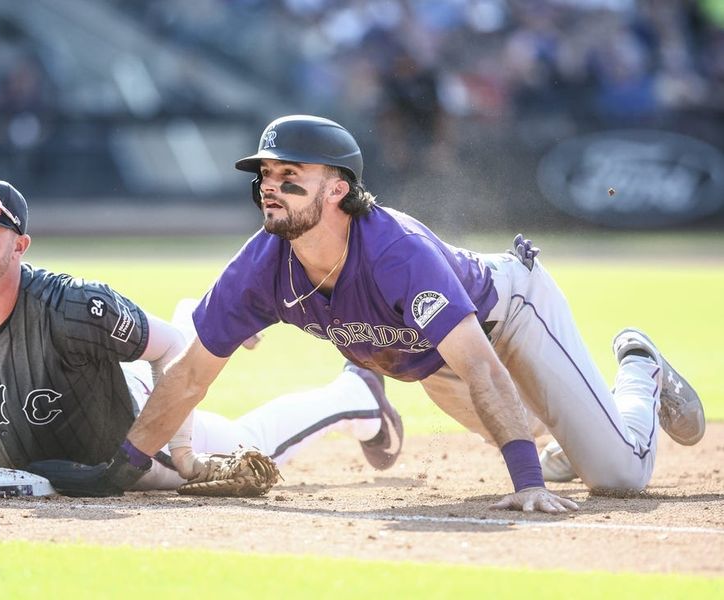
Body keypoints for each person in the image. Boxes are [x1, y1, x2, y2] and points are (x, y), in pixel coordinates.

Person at [118, 115, 705, 513]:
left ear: (337, 190)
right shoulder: (261, 265)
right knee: (529, 436)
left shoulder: (394, 251)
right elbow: (190, 374)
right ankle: (561, 443)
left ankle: (638, 368)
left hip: (508, 319)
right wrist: (127, 464)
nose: (271, 187)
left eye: (290, 177)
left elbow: (481, 367)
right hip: (432, 361)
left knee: (616, 477)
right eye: (266, 177)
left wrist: (523, 484)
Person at [0, 176, 405, 496]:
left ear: (21, 246)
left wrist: (184, 456)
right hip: (87, 403)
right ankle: (198, 316)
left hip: (136, 427)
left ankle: (355, 397)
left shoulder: (72, 305)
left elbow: (169, 351)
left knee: (251, 444)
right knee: (172, 340)